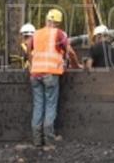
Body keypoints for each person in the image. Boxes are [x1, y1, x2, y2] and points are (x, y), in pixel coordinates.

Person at [27, 8, 79, 147]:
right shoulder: (59, 34)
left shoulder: (36, 33)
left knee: (38, 105)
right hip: (50, 74)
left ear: (47, 20)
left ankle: (37, 140)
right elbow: (70, 52)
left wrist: (32, 65)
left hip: (35, 74)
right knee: (50, 105)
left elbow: (28, 48)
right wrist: (76, 65)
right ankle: (49, 139)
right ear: (58, 22)